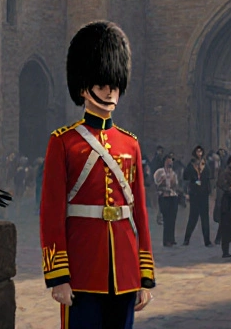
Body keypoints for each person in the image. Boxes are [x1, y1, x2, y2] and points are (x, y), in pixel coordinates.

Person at [39, 21, 153, 327]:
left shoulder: (131, 143)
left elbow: (138, 213)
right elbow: (51, 213)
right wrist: (58, 275)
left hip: (126, 270)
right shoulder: (63, 142)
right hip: (82, 269)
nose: (109, 90)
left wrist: (144, 275)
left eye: (114, 83)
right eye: (102, 83)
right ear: (83, 87)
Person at [182, 146, 212, 246]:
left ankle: (207, 241)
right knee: (193, 218)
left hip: (203, 194)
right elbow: (185, 176)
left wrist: (208, 189)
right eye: (197, 151)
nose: (199, 153)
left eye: (201, 151)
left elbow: (209, 177)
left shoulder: (205, 164)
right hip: (194, 194)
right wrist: (194, 180)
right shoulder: (191, 165)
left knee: (205, 219)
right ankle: (186, 239)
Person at [154, 154, 181, 247]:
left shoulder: (173, 173)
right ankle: (166, 240)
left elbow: (176, 185)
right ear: (165, 161)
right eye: (169, 160)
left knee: (172, 218)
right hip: (164, 196)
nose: (170, 162)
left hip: (173, 196)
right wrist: (163, 180)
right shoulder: (160, 172)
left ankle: (172, 238)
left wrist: (174, 183)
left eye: (171, 161)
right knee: (166, 219)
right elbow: (157, 184)